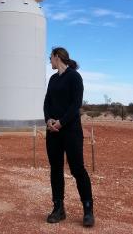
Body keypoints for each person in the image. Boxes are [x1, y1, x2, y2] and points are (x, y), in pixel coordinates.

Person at [43, 47, 94, 227]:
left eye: (50, 58)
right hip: (53, 133)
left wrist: (61, 122)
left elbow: (76, 105)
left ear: (57, 57)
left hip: (71, 131)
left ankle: (88, 209)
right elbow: (47, 102)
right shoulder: (52, 79)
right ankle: (58, 208)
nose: (49, 61)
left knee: (77, 169)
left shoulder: (74, 77)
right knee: (55, 169)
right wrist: (48, 120)